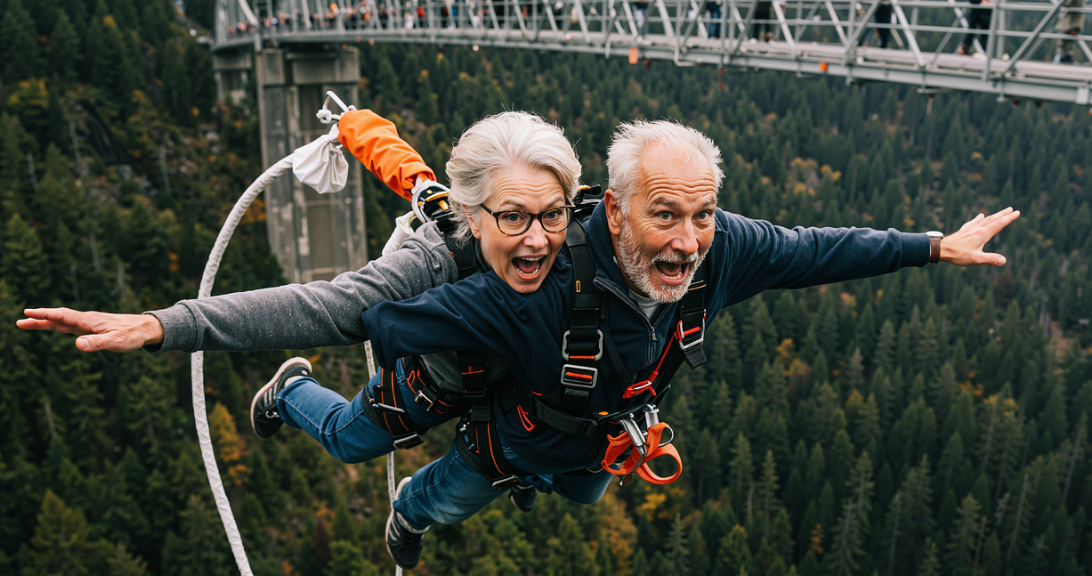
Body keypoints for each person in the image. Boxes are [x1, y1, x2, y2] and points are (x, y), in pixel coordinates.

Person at [355, 120, 1020, 570]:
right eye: (665, 215)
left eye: (701, 216)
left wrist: (931, 247)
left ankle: (535, 480)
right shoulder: (545, 273)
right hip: (517, 426)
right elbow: (392, 320)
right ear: (616, 212)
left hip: (599, 435)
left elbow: (820, 249)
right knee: (445, 500)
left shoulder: (723, 248)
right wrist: (425, 382)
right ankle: (405, 511)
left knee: (582, 492)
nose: (688, 240)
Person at [17, 110, 584, 512]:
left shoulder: (581, 245)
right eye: (513, 217)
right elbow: (324, 306)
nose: (537, 240)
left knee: (574, 469)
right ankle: (289, 392)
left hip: (520, 397)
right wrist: (165, 324)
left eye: (552, 215)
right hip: (434, 382)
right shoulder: (432, 262)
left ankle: (517, 471)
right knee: (347, 441)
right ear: (472, 215)